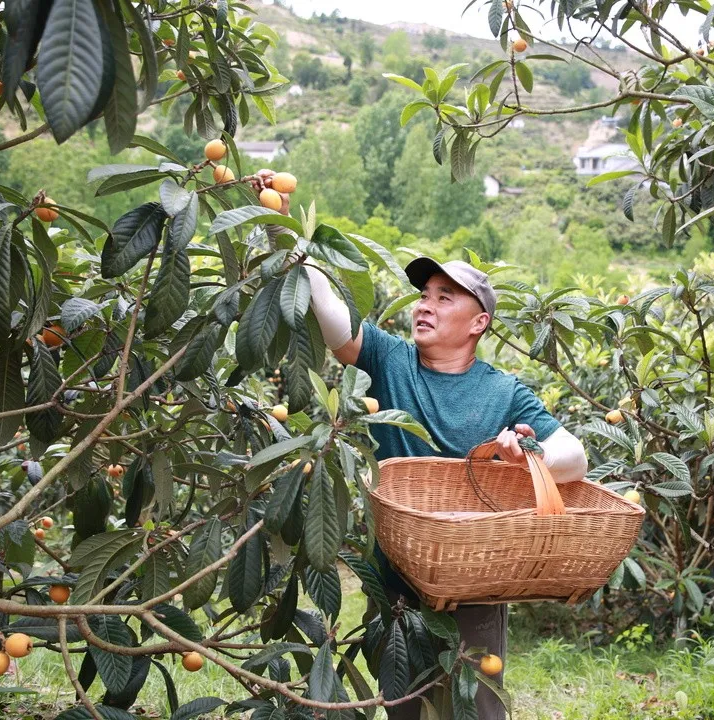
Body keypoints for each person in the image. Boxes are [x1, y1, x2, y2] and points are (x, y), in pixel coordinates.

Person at [250, 170, 589, 719]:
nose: (424, 306)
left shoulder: (505, 391)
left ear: (479, 322)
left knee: (476, 706)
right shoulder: (390, 359)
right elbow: (332, 315)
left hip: (476, 578)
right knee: (405, 706)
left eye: (444, 297)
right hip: (395, 574)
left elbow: (575, 457)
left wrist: (526, 457)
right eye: (424, 295)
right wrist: (286, 229)